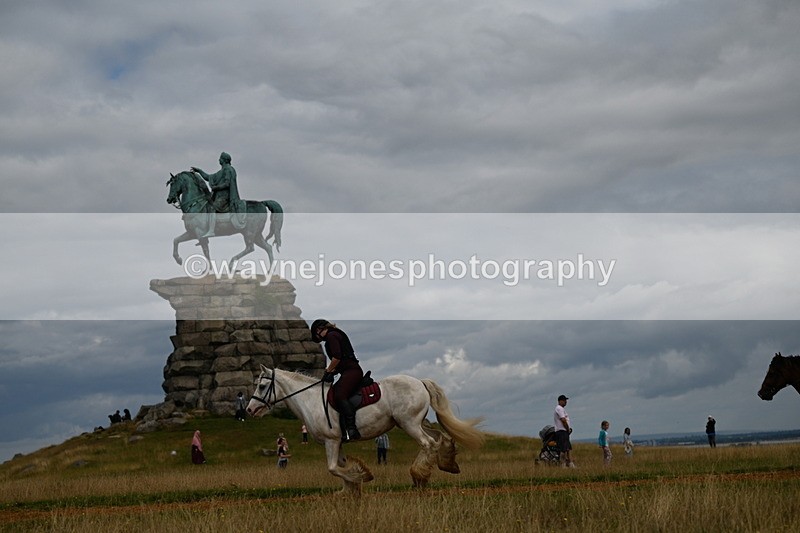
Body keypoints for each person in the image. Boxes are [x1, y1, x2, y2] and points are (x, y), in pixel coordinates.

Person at [310, 319, 364, 442]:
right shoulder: (335, 334)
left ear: (319, 330)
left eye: (317, 335)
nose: (319, 338)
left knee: (339, 395)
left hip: (352, 371)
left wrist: (328, 370)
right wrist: (332, 371)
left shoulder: (331, 336)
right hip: (348, 370)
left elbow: (337, 357)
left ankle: (351, 428)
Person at [190, 151, 245, 237]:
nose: (219, 160)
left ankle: (211, 230)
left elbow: (227, 184)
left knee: (211, 207)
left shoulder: (228, 169)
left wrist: (216, 188)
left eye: (220, 158)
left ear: (223, 160)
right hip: (219, 197)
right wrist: (199, 171)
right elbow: (208, 177)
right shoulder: (222, 171)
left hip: (225, 197)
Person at [553, 394, 575, 467]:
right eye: (564, 400)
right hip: (561, 431)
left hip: (564, 431)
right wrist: (567, 428)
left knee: (568, 448)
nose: (566, 402)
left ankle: (570, 463)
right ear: (560, 401)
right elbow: (563, 420)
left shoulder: (562, 409)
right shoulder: (559, 408)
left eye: (566, 400)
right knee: (563, 449)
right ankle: (563, 464)